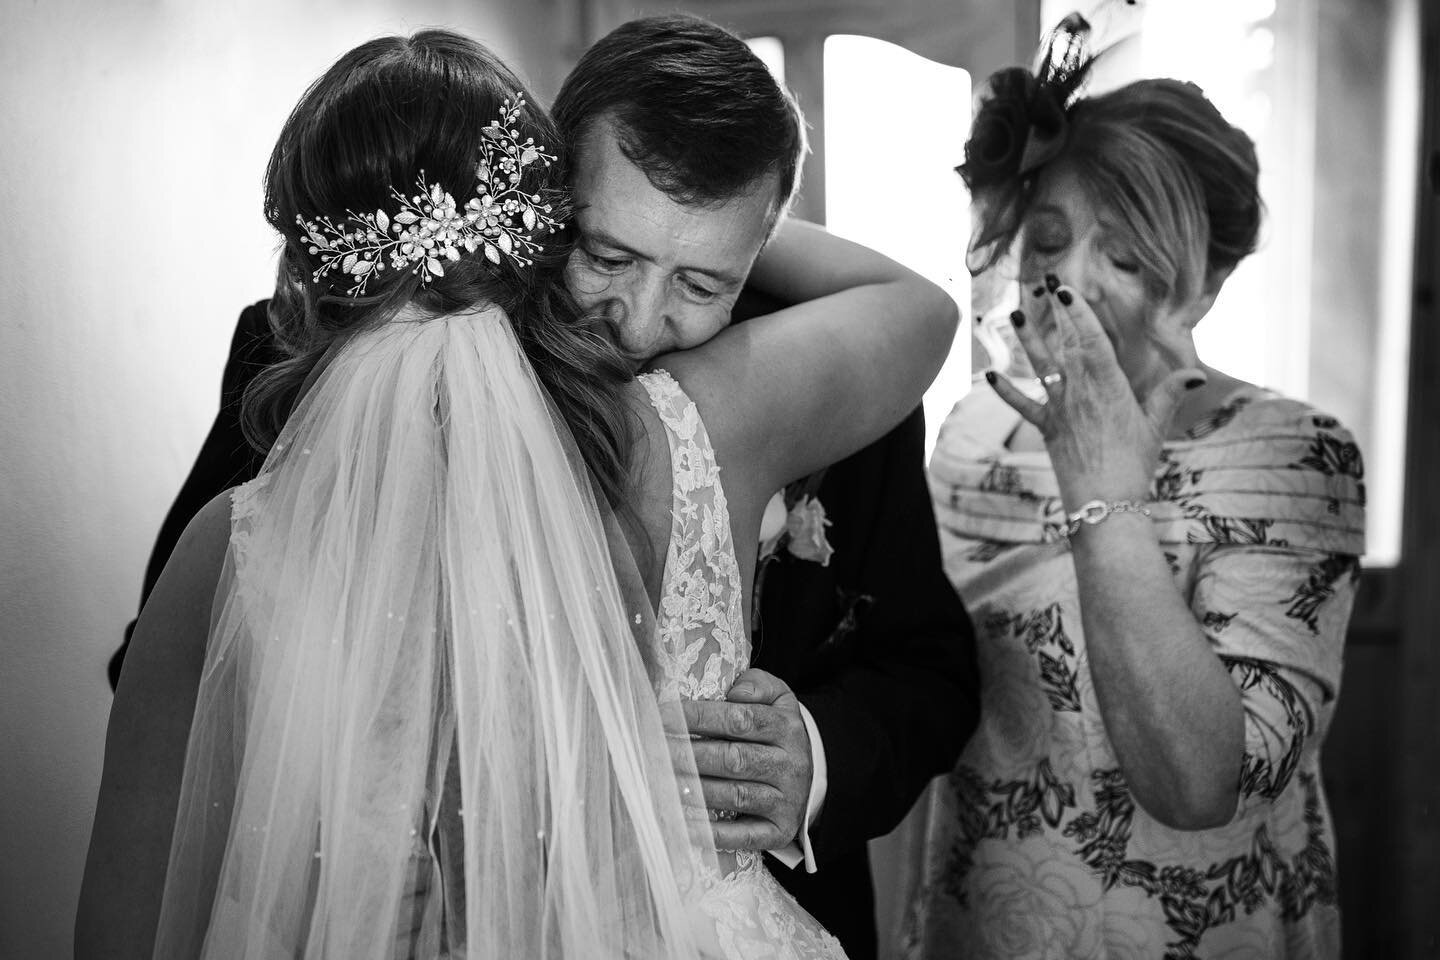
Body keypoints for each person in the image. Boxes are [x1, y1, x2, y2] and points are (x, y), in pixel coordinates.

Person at [104, 15, 980, 957]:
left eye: (702, 281)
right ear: (545, 203)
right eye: (608, 255)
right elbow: (192, 670)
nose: (641, 321)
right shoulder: (307, 361)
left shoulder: (766, 371)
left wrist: (811, 759)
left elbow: (929, 667)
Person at [900, 18, 1363, 960]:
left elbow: (1200, 787)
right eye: (1051, 241)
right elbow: (928, 689)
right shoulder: (973, 432)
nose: (1067, 279)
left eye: (1125, 255)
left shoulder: (1292, 456)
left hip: (1195, 932)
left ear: (1208, 283)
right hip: (992, 918)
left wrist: (1103, 489)